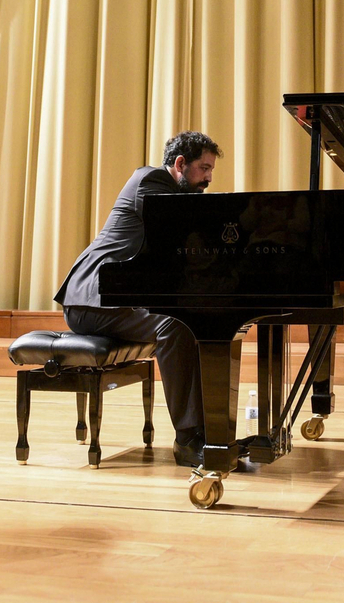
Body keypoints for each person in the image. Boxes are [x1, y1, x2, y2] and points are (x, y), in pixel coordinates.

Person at [55, 131, 220, 467]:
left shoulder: (168, 189)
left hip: (116, 299)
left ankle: (212, 432)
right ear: (179, 164)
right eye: (203, 168)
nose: (208, 178)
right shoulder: (151, 180)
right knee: (174, 325)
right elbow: (182, 234)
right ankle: (189, 440)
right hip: (91, 298)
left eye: (210, 170)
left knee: (195, 322)